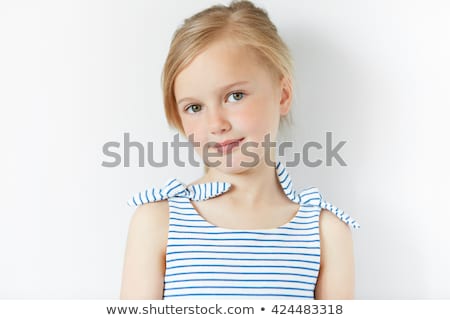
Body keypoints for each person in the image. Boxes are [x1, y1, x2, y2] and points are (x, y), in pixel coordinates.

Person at [120, 0, 359, 300]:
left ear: (283, 95)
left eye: (235, 96)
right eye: (194, 107)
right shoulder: (158, 222)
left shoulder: (325, 233)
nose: (216, 124)